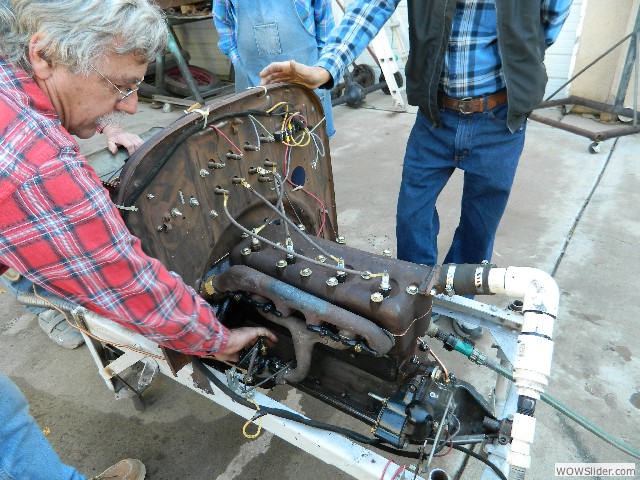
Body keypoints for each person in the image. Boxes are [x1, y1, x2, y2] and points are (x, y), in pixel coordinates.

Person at [0, 1, 276, 478]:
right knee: (8, 433)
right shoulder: (35, 157)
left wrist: (105, 123)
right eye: (121, 87)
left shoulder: (18, 74)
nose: (130, 105)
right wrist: (221, 339)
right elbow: (125, 283)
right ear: (45, 55)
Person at [259, 0, 572, 339]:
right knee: (412, 214)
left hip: (500, 119)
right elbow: (371, 6)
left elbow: (548, 19)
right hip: (436, 116)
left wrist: (519, 57)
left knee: (480, 223)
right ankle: (417, 295)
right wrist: (327, 67)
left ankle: (462, 297)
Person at [212, 0, 336, 138]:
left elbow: (326, 27)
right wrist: (238, 62)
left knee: (313, 144)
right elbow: (222, 21)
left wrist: (320, 68)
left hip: (306, 81)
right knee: (258, 146)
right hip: (252, 81)